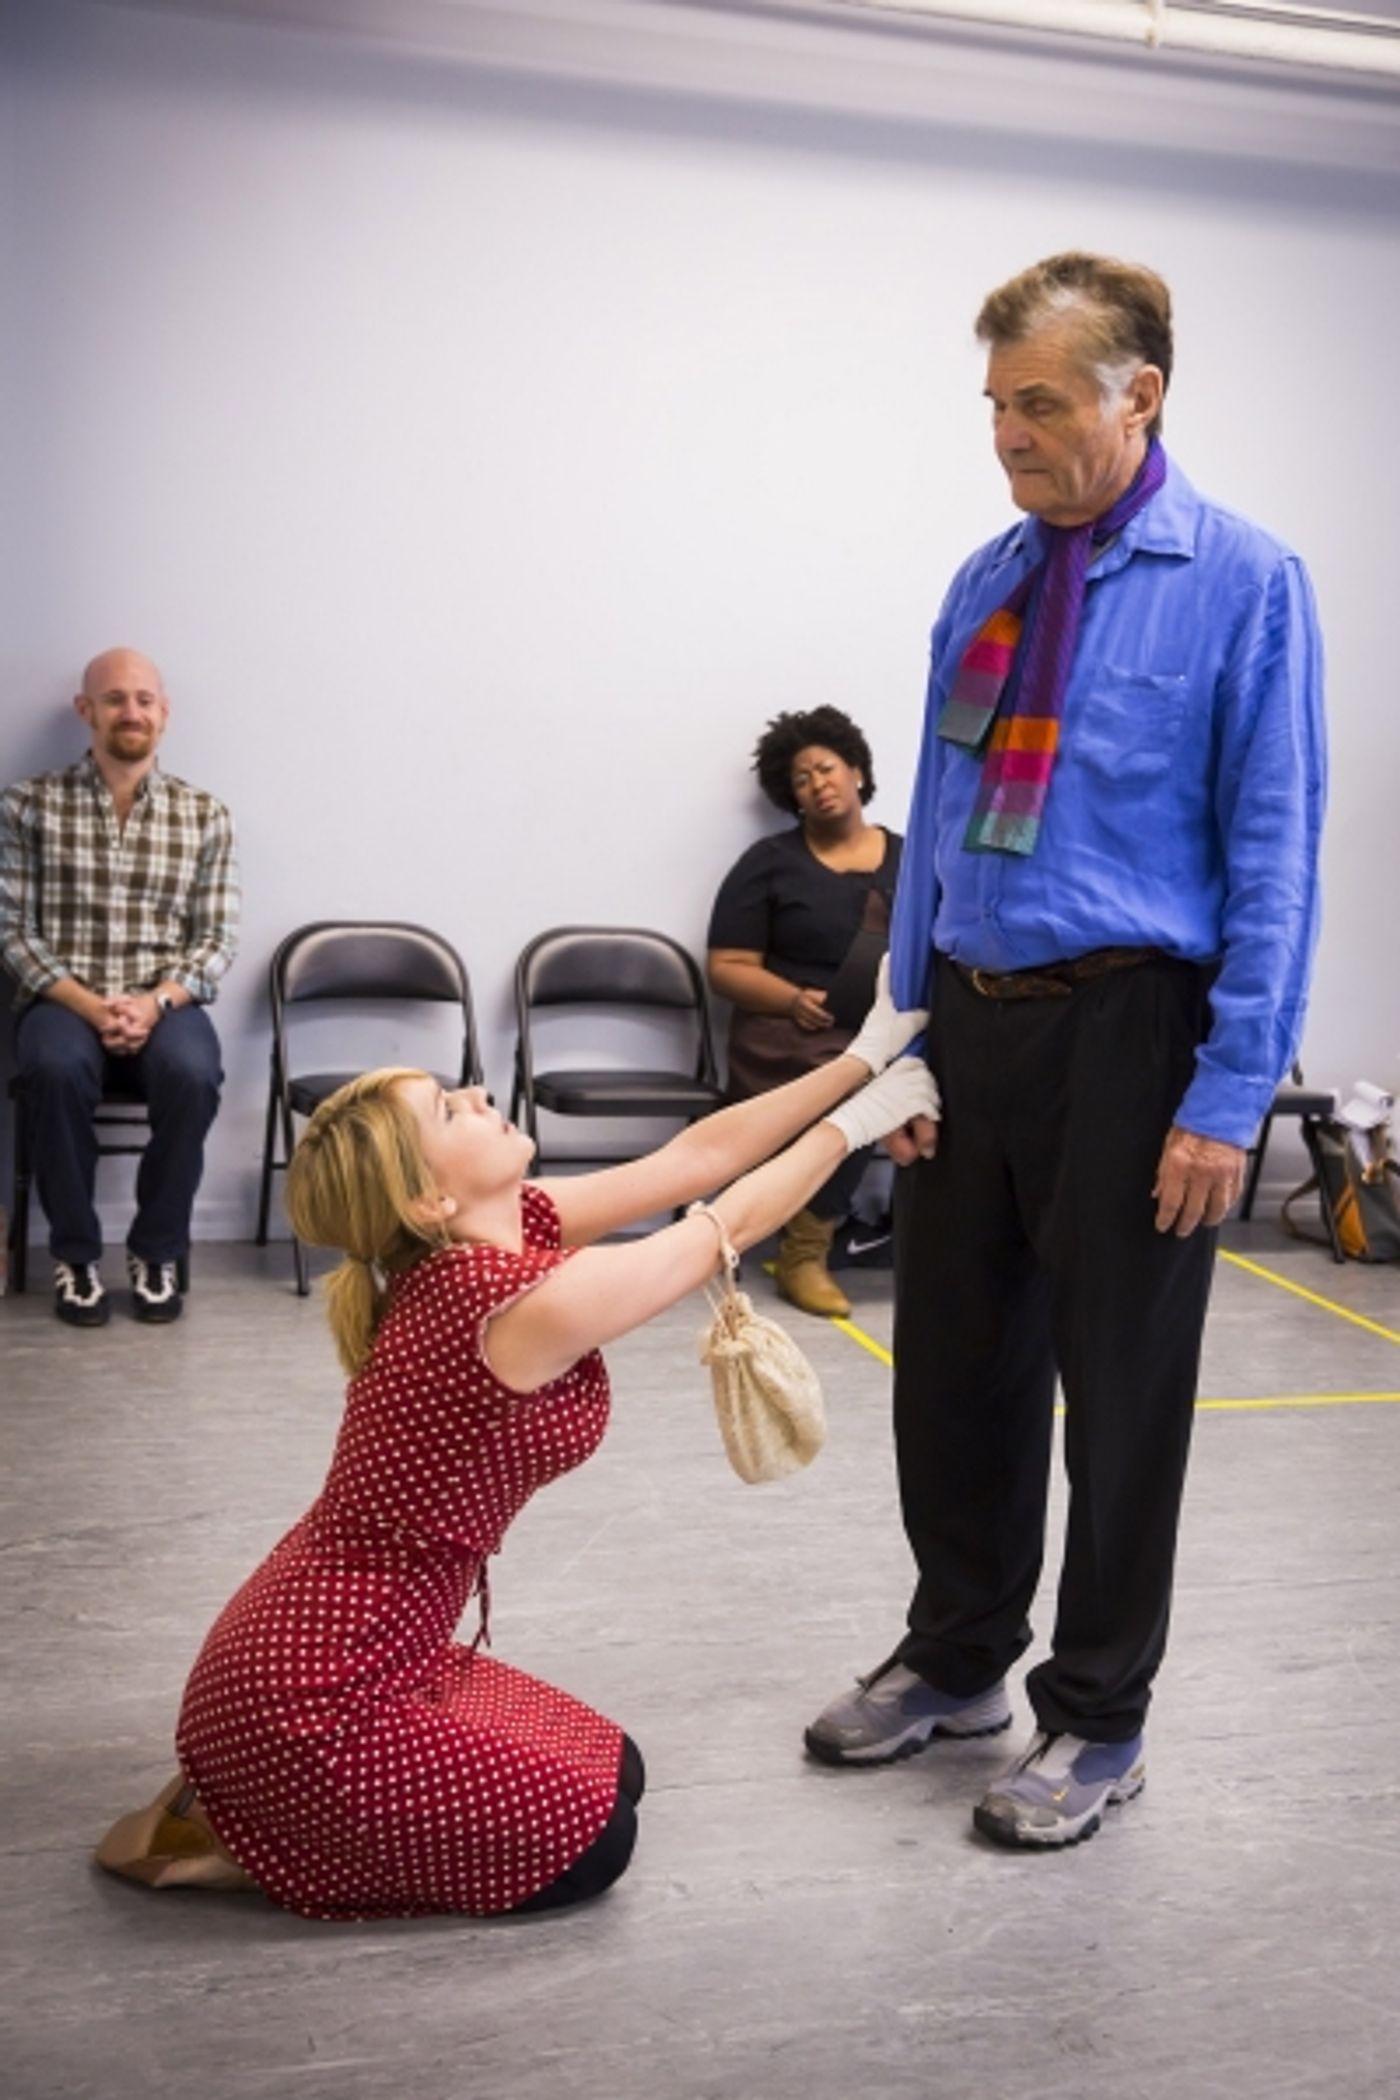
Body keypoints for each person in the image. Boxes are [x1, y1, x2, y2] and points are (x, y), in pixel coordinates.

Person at [804, 253, 1326, 1849]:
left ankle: (1098, 1717)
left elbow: (1276, 852)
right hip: (973, 1021)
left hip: (1135, 1032)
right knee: (954, 1370)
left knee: (1120, 1392)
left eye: (1038, 404)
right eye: (995, 406)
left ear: (1137, 395)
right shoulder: (989, 581)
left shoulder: (1244, 581)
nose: (1008, 436)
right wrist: (903, 1042)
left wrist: (1229, 1093)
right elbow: (939, 832)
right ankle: (959, 1655)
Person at [95, 992, 938, 1920]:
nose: (474, 1092)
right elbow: (717, 1230)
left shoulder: (490, 1236)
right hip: (312, 1706)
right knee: (595, 1846)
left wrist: (862, 1059)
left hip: (348, 1655)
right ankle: (266, 1827)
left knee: (622, 1772)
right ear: (429, 1197)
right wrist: (861, 1121)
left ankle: (262, 1808)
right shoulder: (500, 1305)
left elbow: (691, 1159)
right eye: (447, 1110)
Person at [0, 648, 238, 1326]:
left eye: (143, 699)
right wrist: (88, 1003)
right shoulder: (26, 805)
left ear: (163, 713)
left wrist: (154, 1002)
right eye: (114, 700)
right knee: (50, 1069)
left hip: (164, 999)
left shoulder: (204, 814)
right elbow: (11, 930)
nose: (130, 712)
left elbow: (216, 939)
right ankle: (75, 1255)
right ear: (87, 711)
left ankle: (155, 1250)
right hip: (61, 999)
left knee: (194, 1074)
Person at [707, 706, 903, 1318]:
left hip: (892, 1026)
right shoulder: (768, 863)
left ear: (859, 773)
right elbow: (727, 965)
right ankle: (804, 1251)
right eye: (801, 778)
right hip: (793, 1033)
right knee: (856, 1088)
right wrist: (793, 999)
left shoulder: (912, 857)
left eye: (828, 767)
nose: (818, 783)